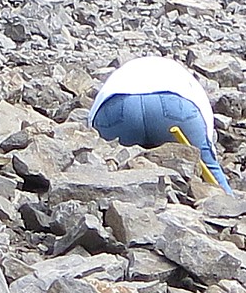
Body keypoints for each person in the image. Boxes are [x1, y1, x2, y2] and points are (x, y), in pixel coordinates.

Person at [89, 56, 233, 193]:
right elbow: (205, 127)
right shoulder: (183, 75)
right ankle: (229, 207)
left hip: (116, 104)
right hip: (176, 104)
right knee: (212, 174)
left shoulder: (123, 72)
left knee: (105, 169)